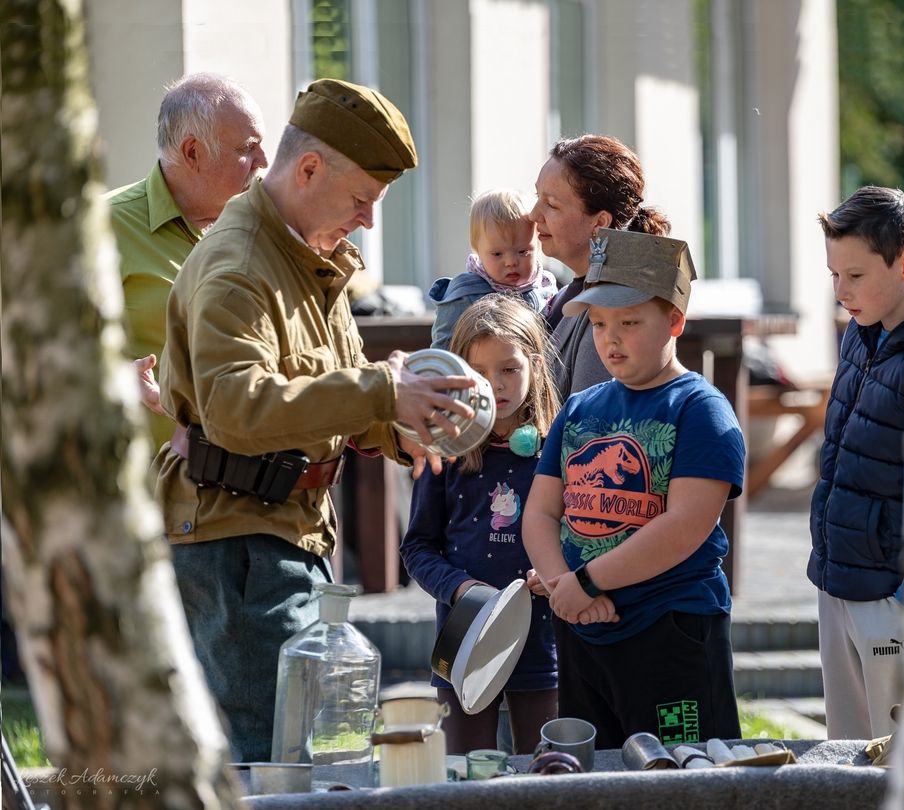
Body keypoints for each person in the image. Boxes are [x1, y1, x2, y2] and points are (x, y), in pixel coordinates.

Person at [156, 78, 478, 762]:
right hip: (236, 545)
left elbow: (334, 394)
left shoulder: (307, 257)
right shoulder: (240, 265)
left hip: (283, 533)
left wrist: (406, 425)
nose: (367, 220)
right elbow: (238, 410)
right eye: (362, 199)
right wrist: (379, 394)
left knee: (304, 758)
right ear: (307, 170)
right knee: (265, 761)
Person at [522, 228, 746, 750]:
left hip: (670, 632)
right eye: (599, 323)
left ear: (674, 320)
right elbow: (539, 512)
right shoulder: (579, 408)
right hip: (580, 629)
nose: (610, 338)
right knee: (595, 779)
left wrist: (590, 581)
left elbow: (687, 526)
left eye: (629, 322)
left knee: (683, 778)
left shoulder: (701, 409)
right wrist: (564, 586)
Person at [401, 294, 561, 754]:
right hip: (463, 640)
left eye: (509, 369)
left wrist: (557, 572)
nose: (495, 385)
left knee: (545, 769)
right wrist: (461, 590)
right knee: (465, 773)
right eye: (480, 373)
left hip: (543, 643)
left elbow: (580, 534)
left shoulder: (562, 450)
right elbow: (417, 548)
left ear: (534, 365)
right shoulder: (444, 449)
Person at [808, 185, 904, 740]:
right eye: (834, 275)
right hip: (836, 579)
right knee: (845, 756)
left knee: (898, 763)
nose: (841, 292)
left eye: (854, 276)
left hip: (891, 596)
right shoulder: (858, 333)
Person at [105, 73, 269, 449]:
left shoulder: (260, 232)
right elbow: (35, 355)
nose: (263, 161)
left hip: (246, 497)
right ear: (193, 152)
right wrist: (111, 381)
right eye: (248, 148)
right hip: (145, 491)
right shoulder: (100, 229)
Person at [529, 134, 671, 399]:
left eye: (551, 204)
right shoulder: (567, 294)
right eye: (538, 197)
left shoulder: (614, 308)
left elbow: (589, 426)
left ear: (599, 223)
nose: (533, 214)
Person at [428, 189, 558, 350]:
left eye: (523, 252)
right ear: (477, 250)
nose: (511, 262)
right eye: (497, 254)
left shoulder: (545, 285)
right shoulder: (465, 294)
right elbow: (443, 348)